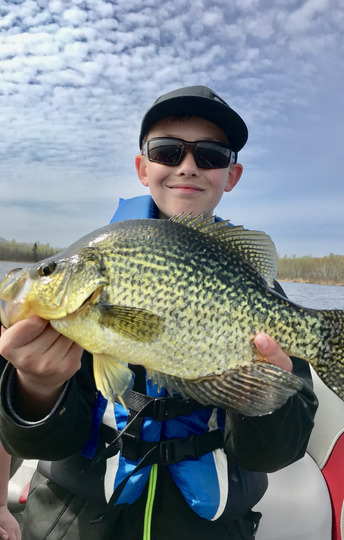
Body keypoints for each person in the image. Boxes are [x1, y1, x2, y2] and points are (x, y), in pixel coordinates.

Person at [0, 86, 318, 540]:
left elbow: (274, 453)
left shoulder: (257, 292)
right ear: (142, 167)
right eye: (167, 150)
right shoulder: (82, 284)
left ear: (231, 175)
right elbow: (31, 441)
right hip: (75, 522)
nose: (187, 165)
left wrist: (266, 400)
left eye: (209, 155)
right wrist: (36, 387)